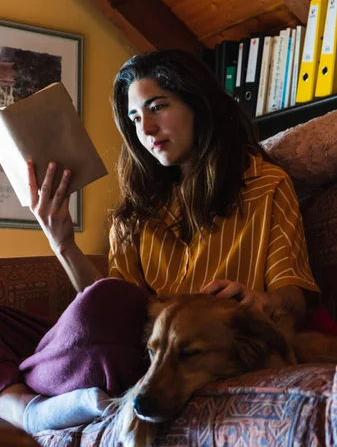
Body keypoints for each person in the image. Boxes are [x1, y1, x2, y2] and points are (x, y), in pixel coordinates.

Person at [0, 49, 319, 433]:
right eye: (136, 117)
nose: (146, 129)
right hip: (126, 348)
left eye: (158, 107)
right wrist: (63, 242)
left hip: (147, 360)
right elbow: (114, 313)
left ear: (198, 104)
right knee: (108, 300)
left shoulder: (267, 185)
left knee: (107, 303)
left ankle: (38, 397)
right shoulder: (134, 211)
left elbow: (294, 295)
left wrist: (261, 300)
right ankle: (29, 409)